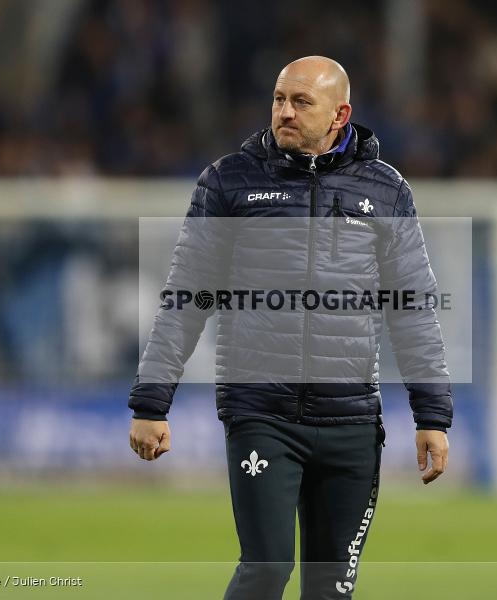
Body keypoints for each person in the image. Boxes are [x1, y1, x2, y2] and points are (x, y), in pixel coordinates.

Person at [128, 56, 452, 600]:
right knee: (265, 569)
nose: (285, 111)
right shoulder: (230, 182)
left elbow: (412, 307)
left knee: (331, 590)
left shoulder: (387, 191)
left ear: (339, 114)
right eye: (279, 98)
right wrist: (151, 402)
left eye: (301, 102)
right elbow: (186, 295)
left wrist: (432, 414)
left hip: (351, 421)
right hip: (262, 414)